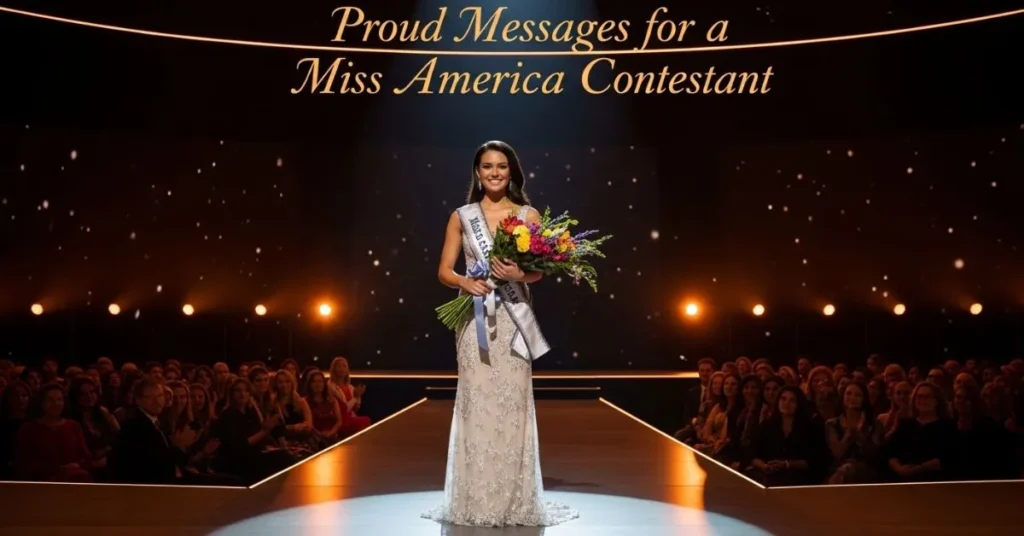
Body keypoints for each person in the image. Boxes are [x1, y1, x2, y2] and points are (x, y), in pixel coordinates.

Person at [421, 140, 578, 527]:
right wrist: (464, 281)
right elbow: (444, 270)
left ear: (512, 172)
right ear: (477, 172)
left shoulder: (528, 214)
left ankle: (513, 500)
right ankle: (475, 497)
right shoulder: (462, 216)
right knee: (477, 404)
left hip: (513, 318)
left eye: (502, 167)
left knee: (512, 405)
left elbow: (539, 272)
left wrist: (516, 275)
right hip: (474, 318)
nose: (494, 173)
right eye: (487, 166)